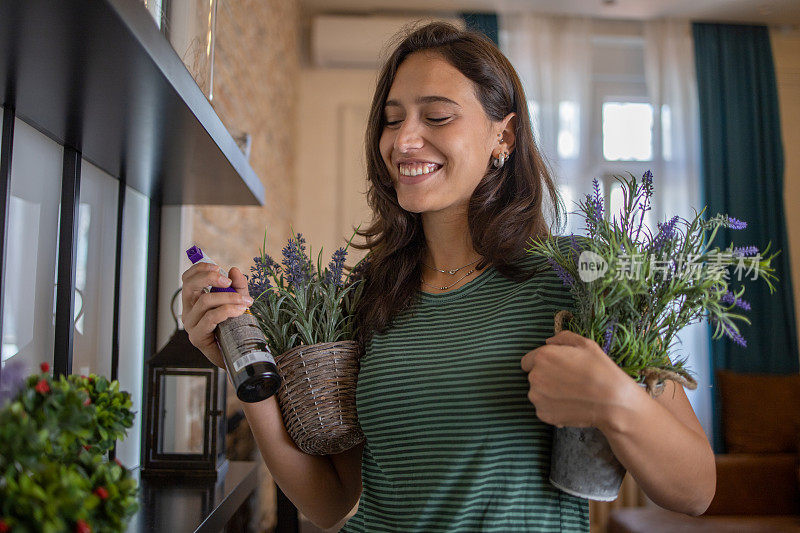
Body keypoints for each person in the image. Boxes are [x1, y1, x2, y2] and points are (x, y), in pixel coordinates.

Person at [180, 21, 715, 532]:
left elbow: (695, 491)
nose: (404, 139)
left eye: (436, 116)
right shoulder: (365, 295)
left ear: (502, 135)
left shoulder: (584, 277)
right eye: (392, 119)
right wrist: (245, 371)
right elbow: (330, 502)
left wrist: (614, 400)